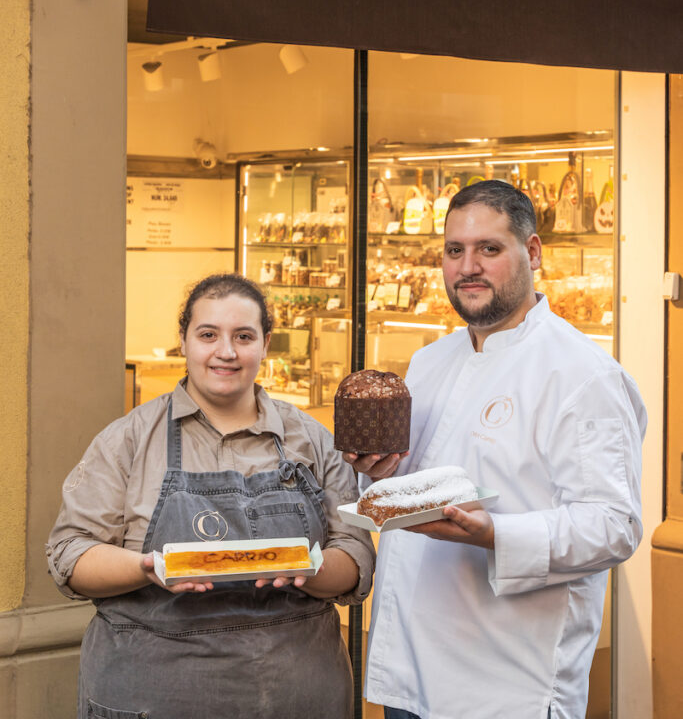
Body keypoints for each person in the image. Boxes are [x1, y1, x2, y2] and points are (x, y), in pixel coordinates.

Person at [345, 180, 646, 719]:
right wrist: (379, 472)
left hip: (507, 686)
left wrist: (494, 534)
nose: (468, 267)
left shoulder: (582, 374)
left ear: (532, 252)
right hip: (408, 673)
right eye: (454, 250)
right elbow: (415, 488)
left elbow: (613, 525)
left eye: (489, 248)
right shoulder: (429, 362)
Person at [47, 273, 374, 719]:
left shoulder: (313, 440)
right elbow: (70, 554)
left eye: (243, 336)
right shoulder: (127, 440)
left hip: (296, 692)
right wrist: (146, 567)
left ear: (266, 344)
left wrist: (307, 567)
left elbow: (355, 556)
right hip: (153, 693)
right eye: (208, 335)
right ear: (183, 340)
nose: (226, 352)